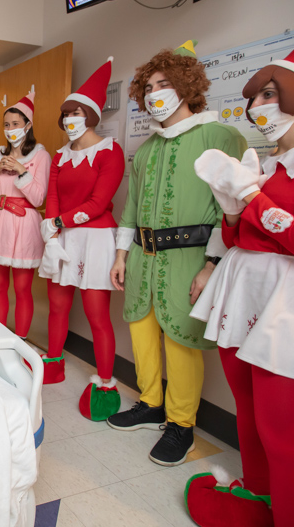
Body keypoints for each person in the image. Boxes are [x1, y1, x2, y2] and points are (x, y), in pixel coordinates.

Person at [107, 40, 247, 466]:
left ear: (187, 86)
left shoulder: (220, 136)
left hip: (191, 256)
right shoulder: (147, 149)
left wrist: (212, 265)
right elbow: (130, 205)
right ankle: (150, 403)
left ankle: (181, 425)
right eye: (148, 87)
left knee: (182, 340)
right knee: (143, 331)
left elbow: (233, 206)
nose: (154, 94)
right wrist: (120, 255)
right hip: (143, 256)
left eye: (163, 83)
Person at [185, 51, 294, 527]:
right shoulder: (268, 164)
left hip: (282, 296)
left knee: (280, 427)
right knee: (246, 408)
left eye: (268, 95)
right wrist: (232, 208)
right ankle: (257, 494)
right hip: (242, 284)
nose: (258, 108)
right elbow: (238, 237)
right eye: (254, 99)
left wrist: (250, 195)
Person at [39, 58, 125, 422]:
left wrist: (59, 220)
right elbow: (53, 194)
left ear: (91, 115)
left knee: (96, 315)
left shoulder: (110, 151)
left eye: (76, 113)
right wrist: (51, 225)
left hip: (96, 239)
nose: (69, 119)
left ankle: (105, 382)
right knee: (57, 305)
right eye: (66, 115)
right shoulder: (59, 155)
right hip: (64, 237)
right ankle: (53, 363)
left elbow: (99, 203)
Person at [0, 90, 51, 339]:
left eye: (16, 124)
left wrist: (21, 171)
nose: (10, 129)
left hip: (24, 226)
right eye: (7, 124)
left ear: (28, 125)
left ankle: (20, 341)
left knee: (22, 288)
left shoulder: (40, 156)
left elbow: (39, 198)